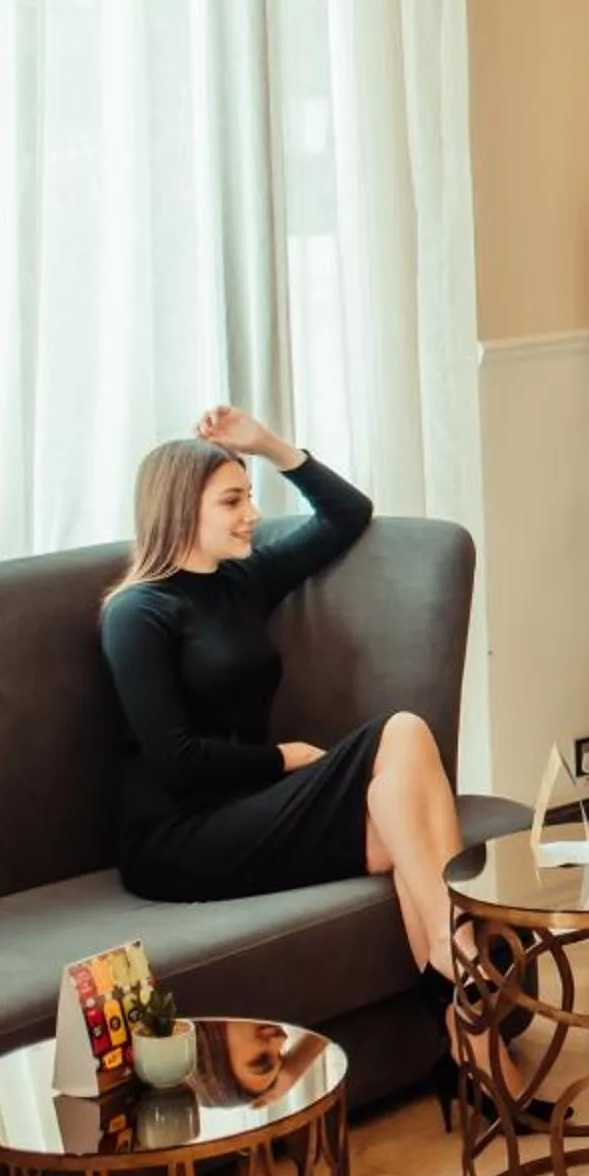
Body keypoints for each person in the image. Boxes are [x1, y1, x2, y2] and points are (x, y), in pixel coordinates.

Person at [98, 408, 485, 1086]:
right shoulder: (138, 613)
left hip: (250, 805)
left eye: (248, 496)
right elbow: (175, 761)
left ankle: (466, 1034)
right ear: (179, 510)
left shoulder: (241, 580)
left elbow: (348, 512)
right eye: (232, 500)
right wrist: (284, 759)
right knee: (400, 734)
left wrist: (267, 446)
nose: (250, 513)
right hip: (177, 835)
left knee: (403, 819)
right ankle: (469, 980)